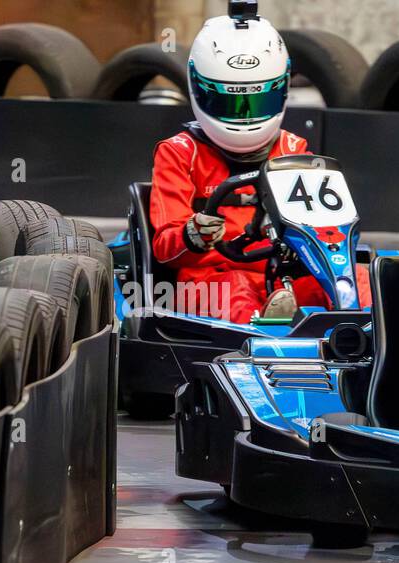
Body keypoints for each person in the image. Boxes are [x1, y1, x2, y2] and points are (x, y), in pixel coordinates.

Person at [149, 2, 368, 323]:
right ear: (200, 89)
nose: (245, 116)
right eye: (231, 102)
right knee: (236, 291)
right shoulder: (180, 152)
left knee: (359, 281)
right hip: (210, 278)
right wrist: (192, 234)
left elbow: (327, 230)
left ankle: (366, 341)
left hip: (280, 276)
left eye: (256, 101)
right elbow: (165, 250)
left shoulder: (294, 148)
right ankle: (265, 347)